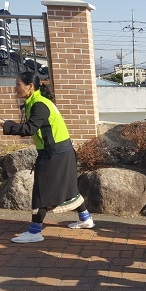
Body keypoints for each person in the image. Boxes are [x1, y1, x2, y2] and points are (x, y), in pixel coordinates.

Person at [0, 72, 94, 244]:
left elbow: (29, 129)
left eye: (18, 84)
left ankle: (35, 231)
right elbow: (31, 127)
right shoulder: (35, 102)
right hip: (59, 152)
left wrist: (6, 125)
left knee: (41, 191)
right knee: (69, 188)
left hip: (55, 154)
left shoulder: (39, 105)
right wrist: (9, 124)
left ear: (30, 86)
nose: (15, 88)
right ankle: (85, 218)